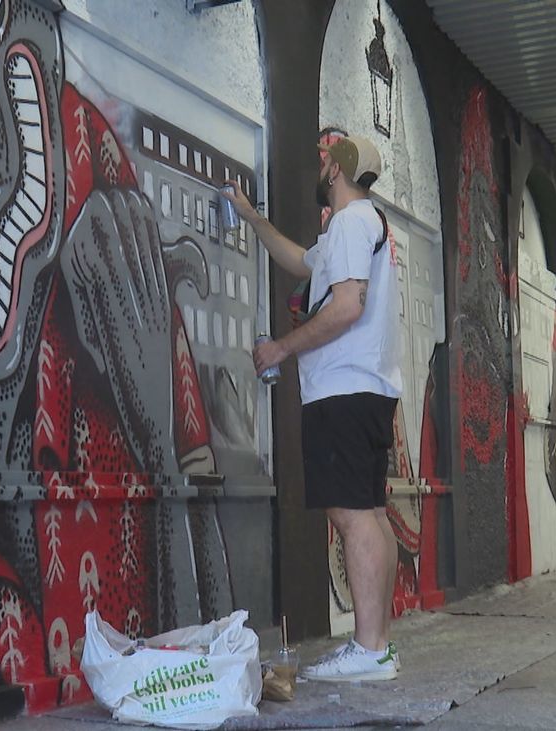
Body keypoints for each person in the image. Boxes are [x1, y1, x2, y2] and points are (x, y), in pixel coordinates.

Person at [222, 135, 402, 682]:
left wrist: (280, 348)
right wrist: (252, 218)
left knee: (351, 516)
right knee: (368, 512)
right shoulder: (360, 228)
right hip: (367, 390)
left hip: (344, 390)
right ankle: (379, 646)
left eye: (326, 157)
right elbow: (302, 260)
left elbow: (346, 306)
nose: (318, 163)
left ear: (339, 169)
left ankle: (369, 652)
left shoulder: (350, 223)